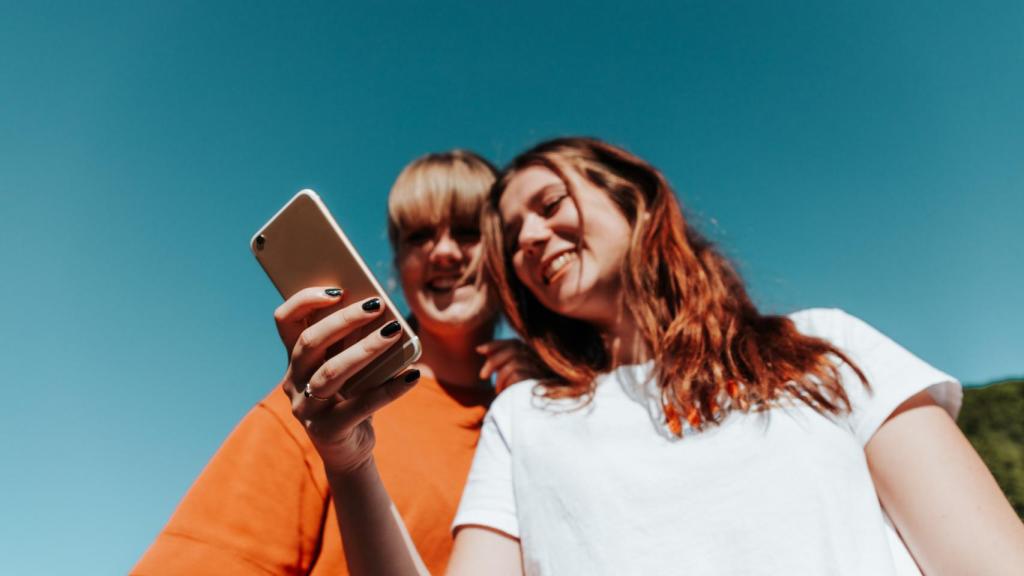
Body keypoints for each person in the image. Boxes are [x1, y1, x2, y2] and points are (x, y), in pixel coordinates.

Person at [286, 137, 1024, 575]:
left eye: (548, 206)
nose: (530, 241)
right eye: (513, 238)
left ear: (634, 196)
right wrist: (348, 461)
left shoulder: (824, 345)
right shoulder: (524, 417)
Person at [133, 150, 538, 575]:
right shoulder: (328, 404)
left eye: (468, 232)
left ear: (508, 250)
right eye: (418, 236)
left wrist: (542, 409)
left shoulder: (530, 417)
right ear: (396, 265)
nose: (443, 252)